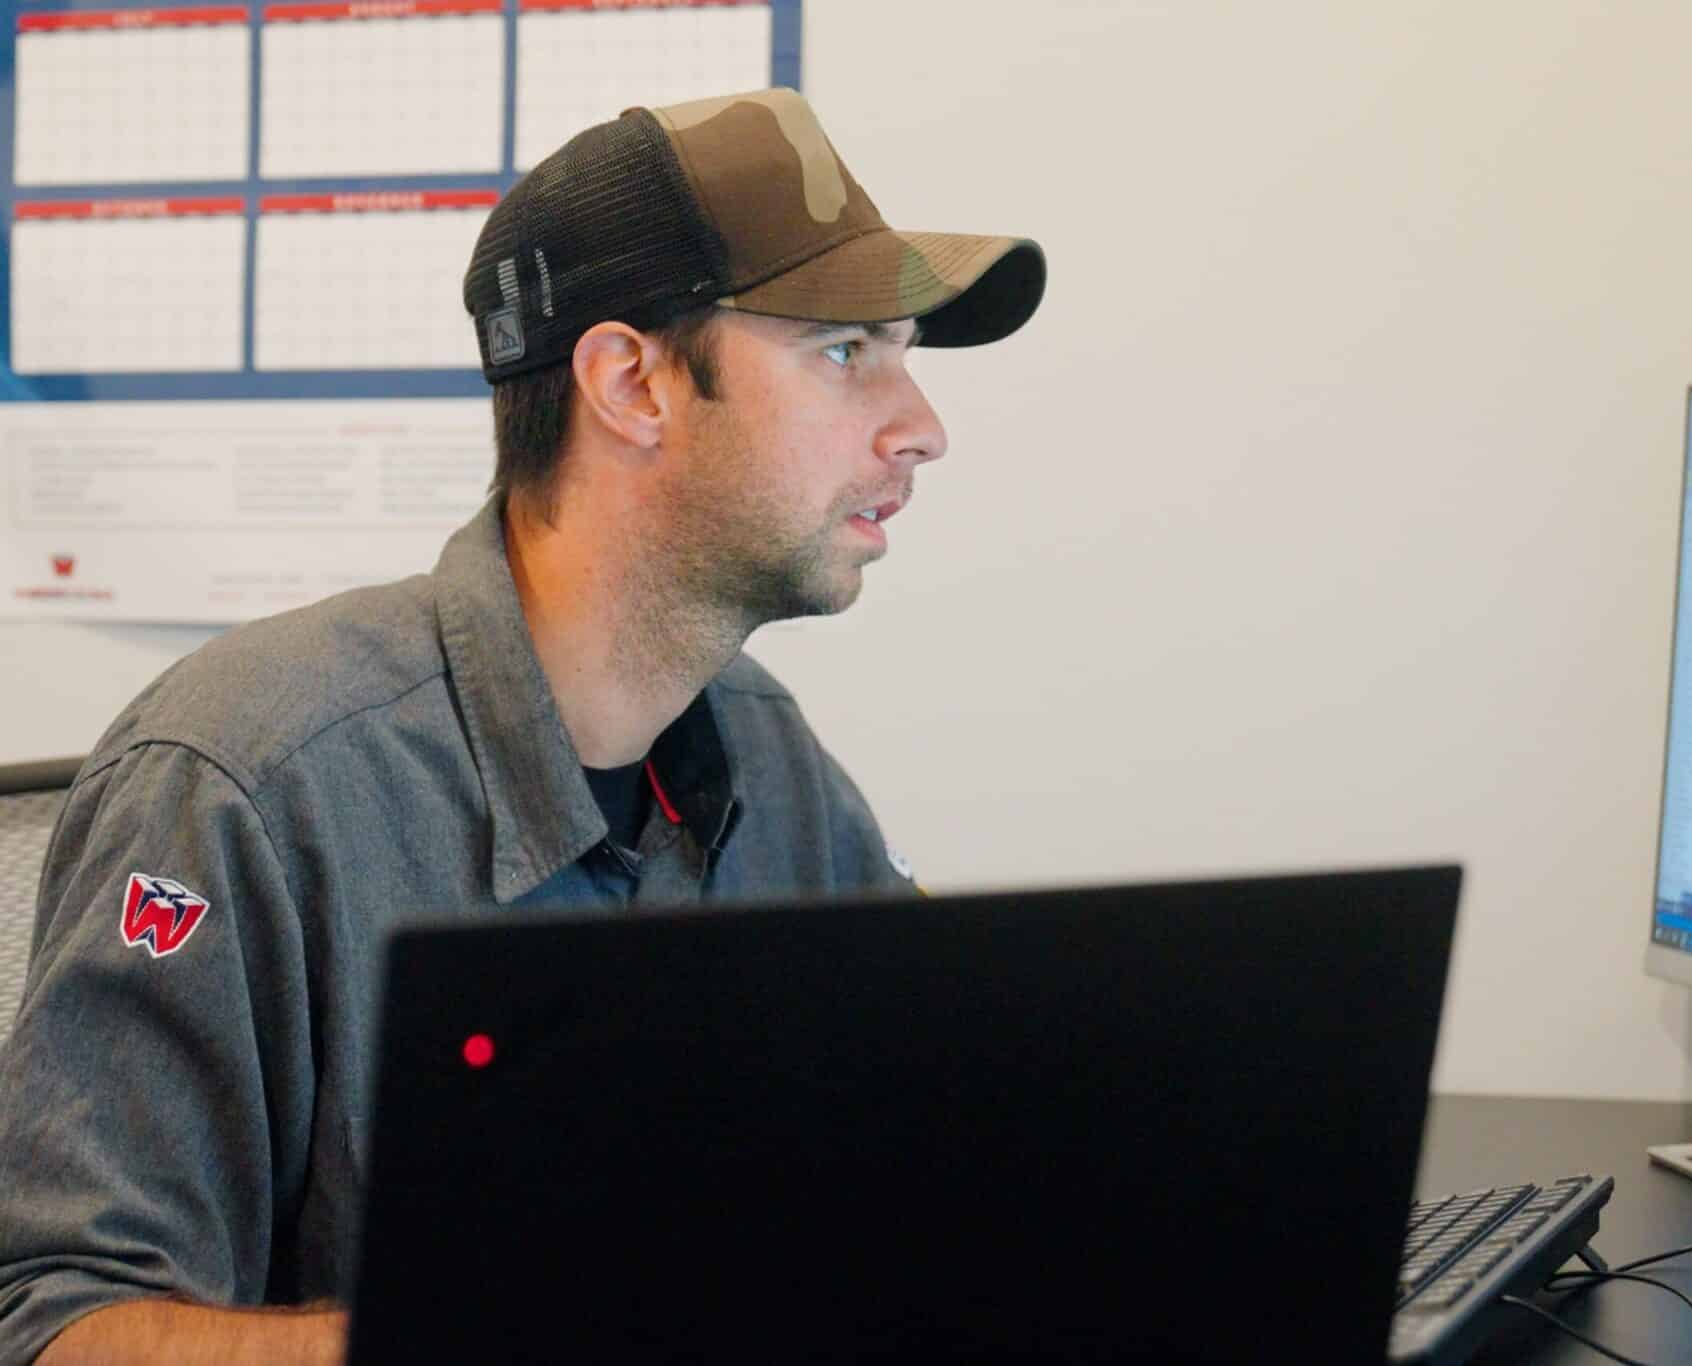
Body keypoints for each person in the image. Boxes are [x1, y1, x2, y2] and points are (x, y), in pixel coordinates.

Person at [0, 88, 1045, 1365]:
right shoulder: (244, 783)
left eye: (903, 353)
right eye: (844, 353)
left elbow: (933, 1153)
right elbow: (53, 1327)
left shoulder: (769, 761)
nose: (919, 427)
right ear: (630, 382)